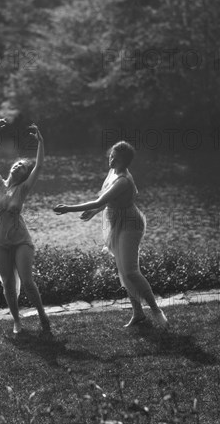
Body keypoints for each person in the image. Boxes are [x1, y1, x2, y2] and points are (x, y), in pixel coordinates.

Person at [53, 141, 168, 329]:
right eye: (111, 155)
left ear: (125, 161)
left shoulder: (123, 180)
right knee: (124, 271)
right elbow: (109, 202)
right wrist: (95, 212)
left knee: (131, 270)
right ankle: (138, 313)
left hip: (130, 225)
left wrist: (68, 208)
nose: (112, 159)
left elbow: (100, 200)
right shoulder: (113, 173)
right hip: (117, 223)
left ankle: (156, 311)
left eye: (116, 158)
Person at [0, 118, 51, 336]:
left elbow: (39, 166)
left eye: (22, 166)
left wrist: (41, 142)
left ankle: (43, 317)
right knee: (8, 284)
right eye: (17, 163)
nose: (18, 165)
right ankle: (16, 321)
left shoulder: (23, 189)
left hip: (20, 239)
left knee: (28, 281)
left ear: (24, 175)